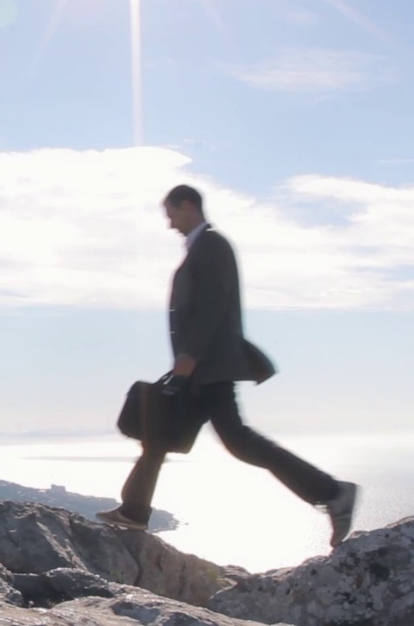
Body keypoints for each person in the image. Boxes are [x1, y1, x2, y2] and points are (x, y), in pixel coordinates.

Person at [97, 184, 358, 548]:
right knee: (160, 432)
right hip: (202, 368)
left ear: (187, 206)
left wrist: (190, 356)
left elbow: (213, 306)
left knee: (238, 442)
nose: (170, 224)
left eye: (171, 214)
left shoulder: (212, 245)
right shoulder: (201, 248)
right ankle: (134, 511)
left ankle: (333, 492)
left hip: (209, 368)